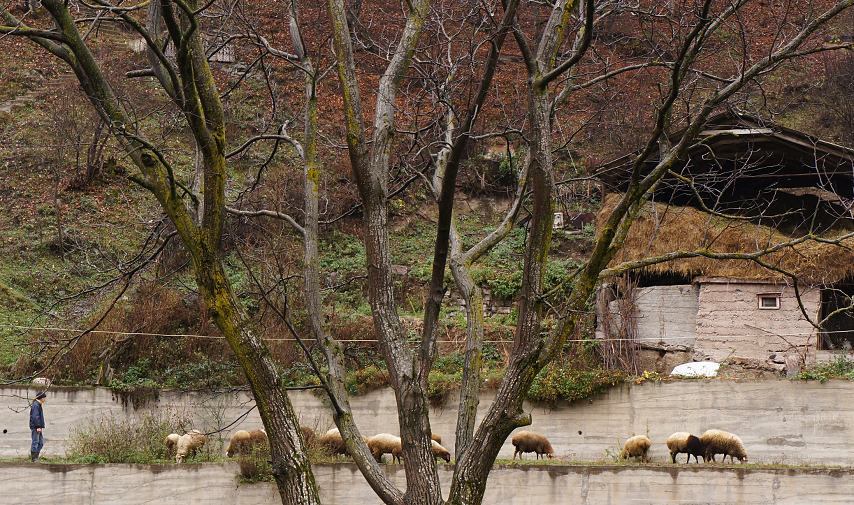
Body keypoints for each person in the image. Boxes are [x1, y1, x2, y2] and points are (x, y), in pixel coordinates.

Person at [29, 391, 46, 462]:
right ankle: (34, 458)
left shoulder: (38, 404)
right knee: (35, 441)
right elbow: (35, 417)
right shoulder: (36, 405)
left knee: (41, 442)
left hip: (38, 426)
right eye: (44, 397)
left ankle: (36, 457)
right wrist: (38, 426)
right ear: (41, 398)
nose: (45, 399)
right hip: (36, 427)